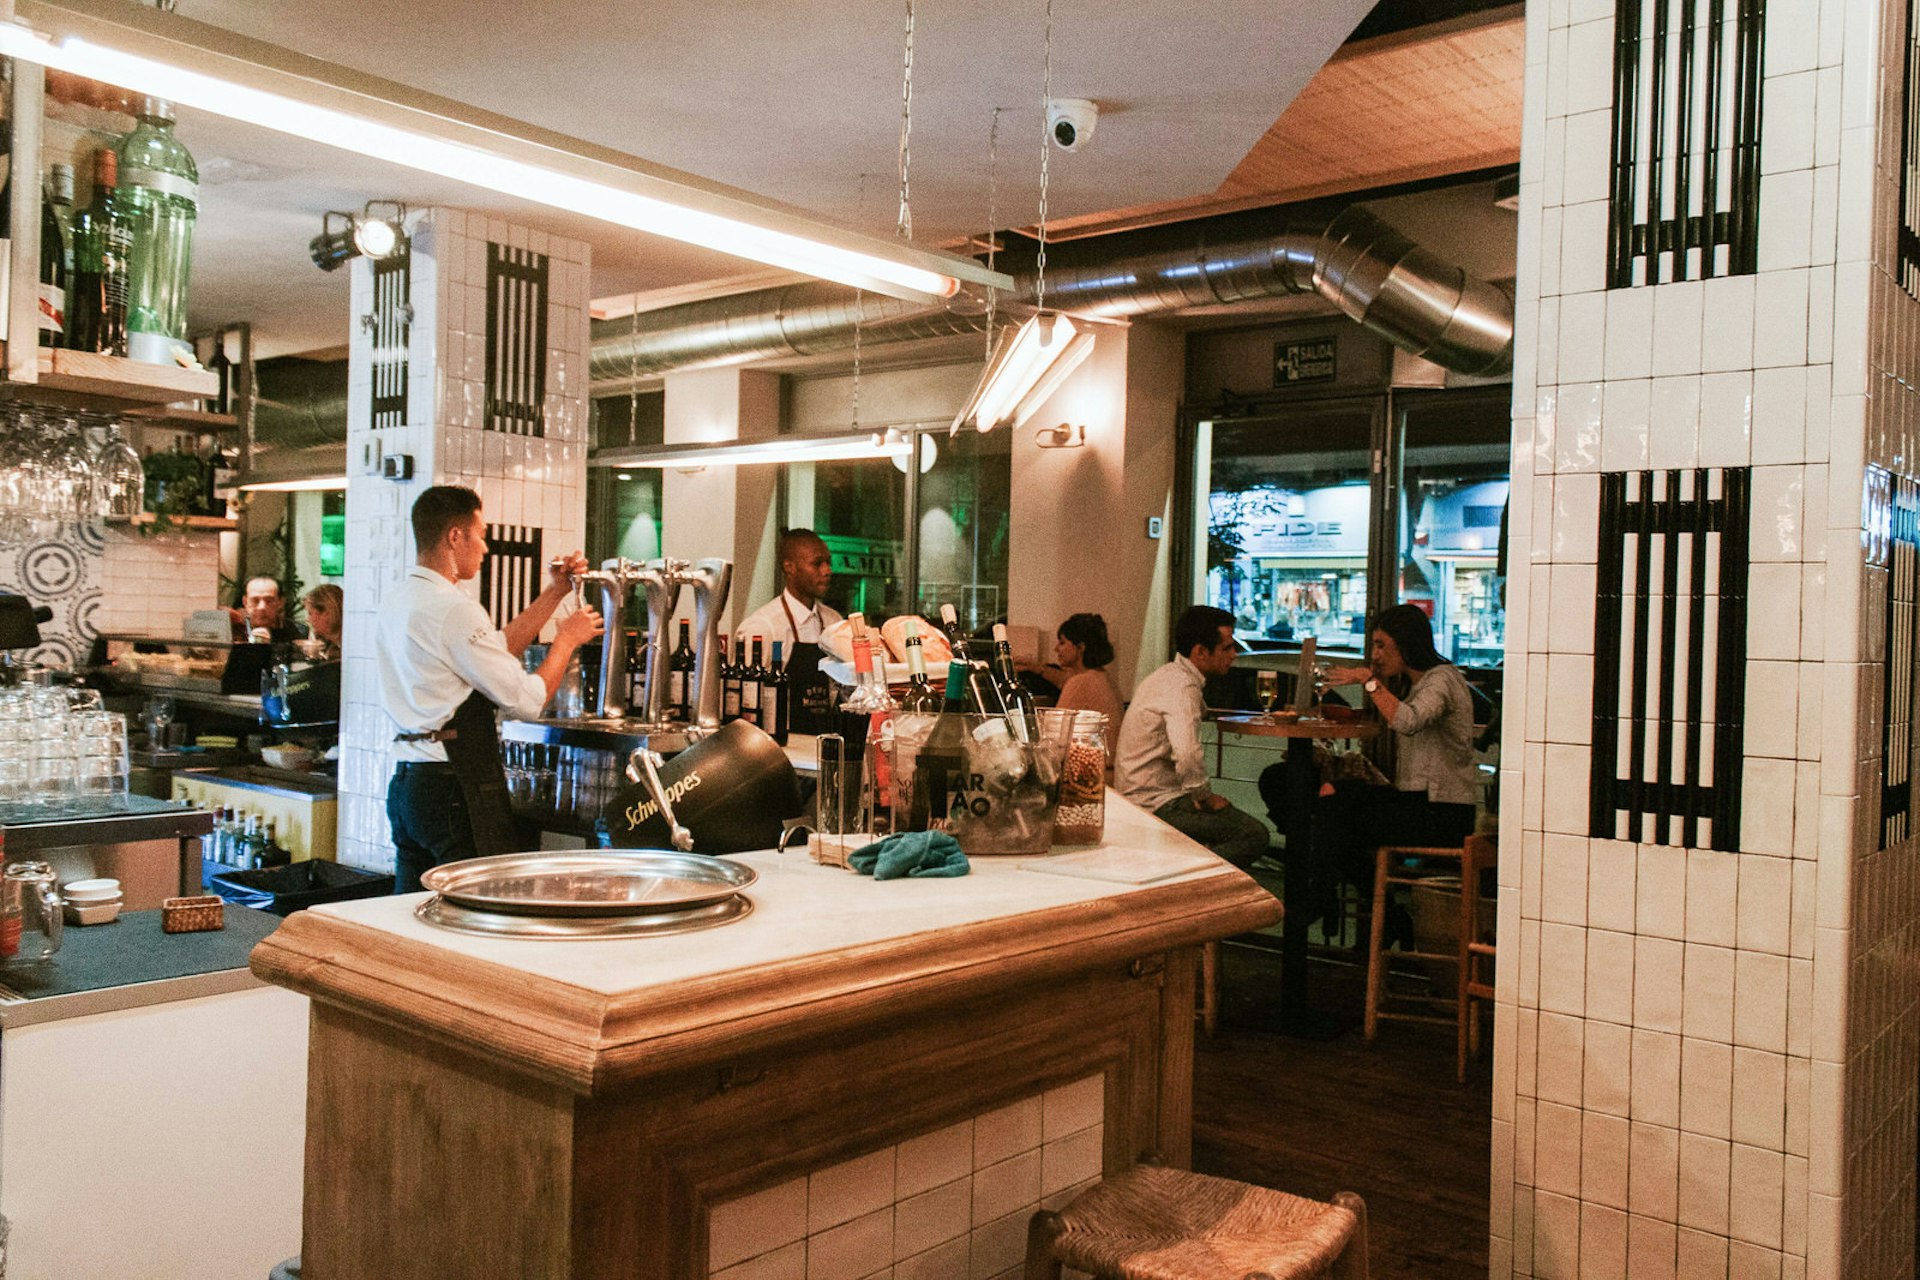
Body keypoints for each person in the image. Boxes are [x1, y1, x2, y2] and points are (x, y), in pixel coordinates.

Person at [377, 485, 604, 893]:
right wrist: (567, 640)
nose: (485, 548)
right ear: (454, 536)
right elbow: (528, 701)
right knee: (471, 911)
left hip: (409, 786)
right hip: (453, 787)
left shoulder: (400, 599)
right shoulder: (453, 608)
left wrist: (556, 591)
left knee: (409, 917)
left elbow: (496, 650)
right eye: (480, 534)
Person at [1286, 603, 1479, 930]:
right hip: (1416, 804)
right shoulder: (1419, 683)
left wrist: (1370, 683)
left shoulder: (1441, 681)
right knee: (1332, 799)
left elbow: (1409, 721)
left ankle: (1333, 901)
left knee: (1335, 821)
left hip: (1442, 813)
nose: (1374, 655)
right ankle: (1377, 914)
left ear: (1406, 645)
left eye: (1381, 645)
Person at [1113, 604, 1270, 869]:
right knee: (1253, 835)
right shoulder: (1183, 688)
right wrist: (1204, 798)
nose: (1234, 655)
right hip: (1155, 804)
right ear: (1200, 652)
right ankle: (1192, 882)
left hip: (1139, 795)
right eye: (1227, 648)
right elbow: (1186, 755)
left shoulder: (1168, 676)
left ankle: (1191, 874)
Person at [734, 528, 845, 732]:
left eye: (828, 562)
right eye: (817, 563)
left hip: (824, 741)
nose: (827, 570)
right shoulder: (762, 627)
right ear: (790, 568)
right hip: (780, 746)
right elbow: (745, 699)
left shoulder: (834, 621)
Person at [1049, 613, 1125, 763]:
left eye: (1062, 642)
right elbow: (1062, 679)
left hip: (1093, 770)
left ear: (1081, 647)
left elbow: (1054, 737)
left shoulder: (1080, 682)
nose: (1056, 648)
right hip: (1109, 767)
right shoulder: (1102, 676)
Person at [229, 575, 294, 644]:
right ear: (245, 602)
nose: (261, 607)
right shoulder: (231, 630)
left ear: (281, 603)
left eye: (269, 601)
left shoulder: (296, 632)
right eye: (255, 601)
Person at [303, 583, 344, 659]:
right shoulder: (328, 644)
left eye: (310, 613)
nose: (307, 619)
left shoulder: (350, 647)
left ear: (327, 613)